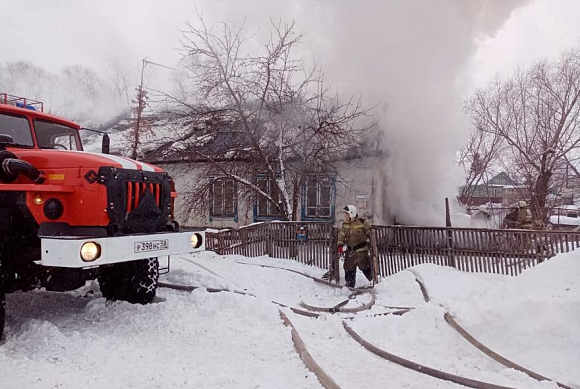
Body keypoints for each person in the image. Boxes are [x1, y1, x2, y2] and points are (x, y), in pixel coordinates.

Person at [337, 205, 373, 288]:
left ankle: (372, 279)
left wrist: (372, 244)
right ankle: (350, 285)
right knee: (348, 267)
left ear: (351, 214)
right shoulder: (345, 225)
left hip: (361, 250)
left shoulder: (362, 222)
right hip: (350, 252)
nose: (345, 216)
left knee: (364, 266)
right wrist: (340, 245)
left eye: (346, 214)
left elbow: (370, 234)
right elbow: (341, 236)